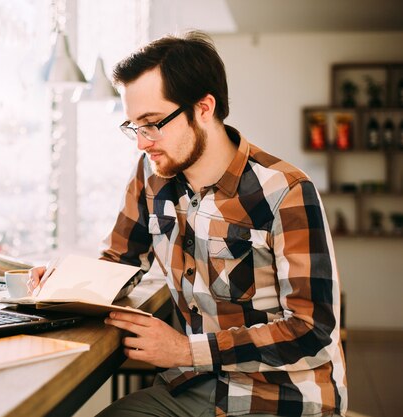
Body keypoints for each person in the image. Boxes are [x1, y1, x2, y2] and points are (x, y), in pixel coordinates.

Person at [31, 31, 346, 417]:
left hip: (280, 397)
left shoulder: (285, 190)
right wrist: (66, 282)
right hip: (191, 384)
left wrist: (185, 350)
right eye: (134, 126)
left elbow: (311, 330)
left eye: (151, 123)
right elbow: (120, 258)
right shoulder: (151, 175)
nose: (142, 142)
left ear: (203, 107)